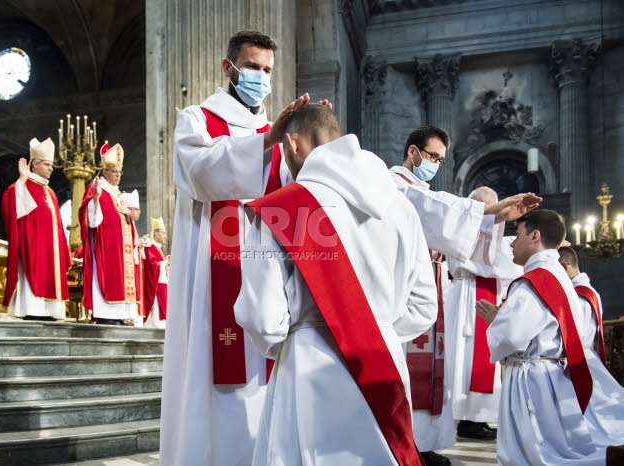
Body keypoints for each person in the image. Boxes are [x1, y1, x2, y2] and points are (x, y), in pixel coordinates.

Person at [234, 103, 436, 465]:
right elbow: (424, 306)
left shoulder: (285, 208)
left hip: (309, 368)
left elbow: (262, 317)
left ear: (292, 144)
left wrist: (296, 340)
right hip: (384, 364)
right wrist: (378, 327)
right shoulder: (400, 206)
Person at [160, 29, 316, 465]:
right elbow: (200, 173)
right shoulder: (197, 118)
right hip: (213, 275)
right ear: (229, 68)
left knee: (263, 374)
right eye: (252, 67)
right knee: (212, 372)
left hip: (266, 277)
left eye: (267, 70)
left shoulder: (279, 134)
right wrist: (263, 143)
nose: (260, 77)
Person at [389, 125, 542, 466]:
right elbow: (436, 207)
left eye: (441, 160)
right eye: (432, 156)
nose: (436, 164)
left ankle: (421, 445)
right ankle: (407, 446)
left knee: (429, 373)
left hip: (428, 292)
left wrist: (497, 215)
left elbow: (452, 225)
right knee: (406, 372)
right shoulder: (395, 184)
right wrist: (490, 210)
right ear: (413, 152)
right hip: (401, 296)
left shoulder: (418, 188)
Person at [477, 209, 608, 465]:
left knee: (531, 453)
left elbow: (512, 337)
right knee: (549, 445)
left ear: (535, 236)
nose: (512, 243)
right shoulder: (557, 275)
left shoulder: (532, 282)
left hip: (530, 377)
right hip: (549, 373)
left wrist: (496, 322)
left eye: (518, 234)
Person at [444, 187, 523, 440]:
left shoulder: (483, 232)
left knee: (476, 357)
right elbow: (497, 257)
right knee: (465, 358)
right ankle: (468, 417)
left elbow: (501, 253)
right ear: (479, 205)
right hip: (469, 294)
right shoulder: (463, 230)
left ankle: (477, 415)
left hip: (480, 290)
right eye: (494, 206)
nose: (497, 212)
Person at [558, 246, 624, 448]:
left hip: (578, 358)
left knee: (594, 418)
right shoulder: (586, 290)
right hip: (585, 357)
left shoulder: (578, 296)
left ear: (565, 267)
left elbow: (576, 333)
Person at [1, 138, 72, 320]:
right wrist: (22, 180)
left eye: (51, 165)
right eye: (47, 164)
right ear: (35, 164)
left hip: (52, 248)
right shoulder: (23, 185)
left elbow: (57, 224)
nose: (51, 168)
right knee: (34, 275)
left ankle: (49, 311)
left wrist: (63, 248)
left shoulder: (51, 193)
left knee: (51, 277)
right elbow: (13, 207)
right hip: (33, 245)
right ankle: (32, 311)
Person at [79, 143, 138, 326]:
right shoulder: (96, 189)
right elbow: (90, 220)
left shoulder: (118, 193)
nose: (118, 176)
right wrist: (95, 198)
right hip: (105, 246)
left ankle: (120, 315)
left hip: (122, 248)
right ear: (104, 171)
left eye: (120, 173)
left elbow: (127, 220)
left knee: (122, 280)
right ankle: (106, 314)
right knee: (108, 279)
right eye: (114, 172)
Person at [120, 189, 145, 326]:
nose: (139, 213)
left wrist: (138, 245)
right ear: (129, 209)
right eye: (136, 209)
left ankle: (132, 315)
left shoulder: (132, 224)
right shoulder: (125, 221)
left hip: (132, 264)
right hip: (126, 265)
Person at [142, 216, 169, 329]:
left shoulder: (157, 248)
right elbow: (152, 266)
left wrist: (165, 262)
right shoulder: (150, 247)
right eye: (163, 233)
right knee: (156, 317)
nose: (165, 236)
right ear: (156, 234)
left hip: (161, 285)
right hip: (155, 286)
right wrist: (164, 263)